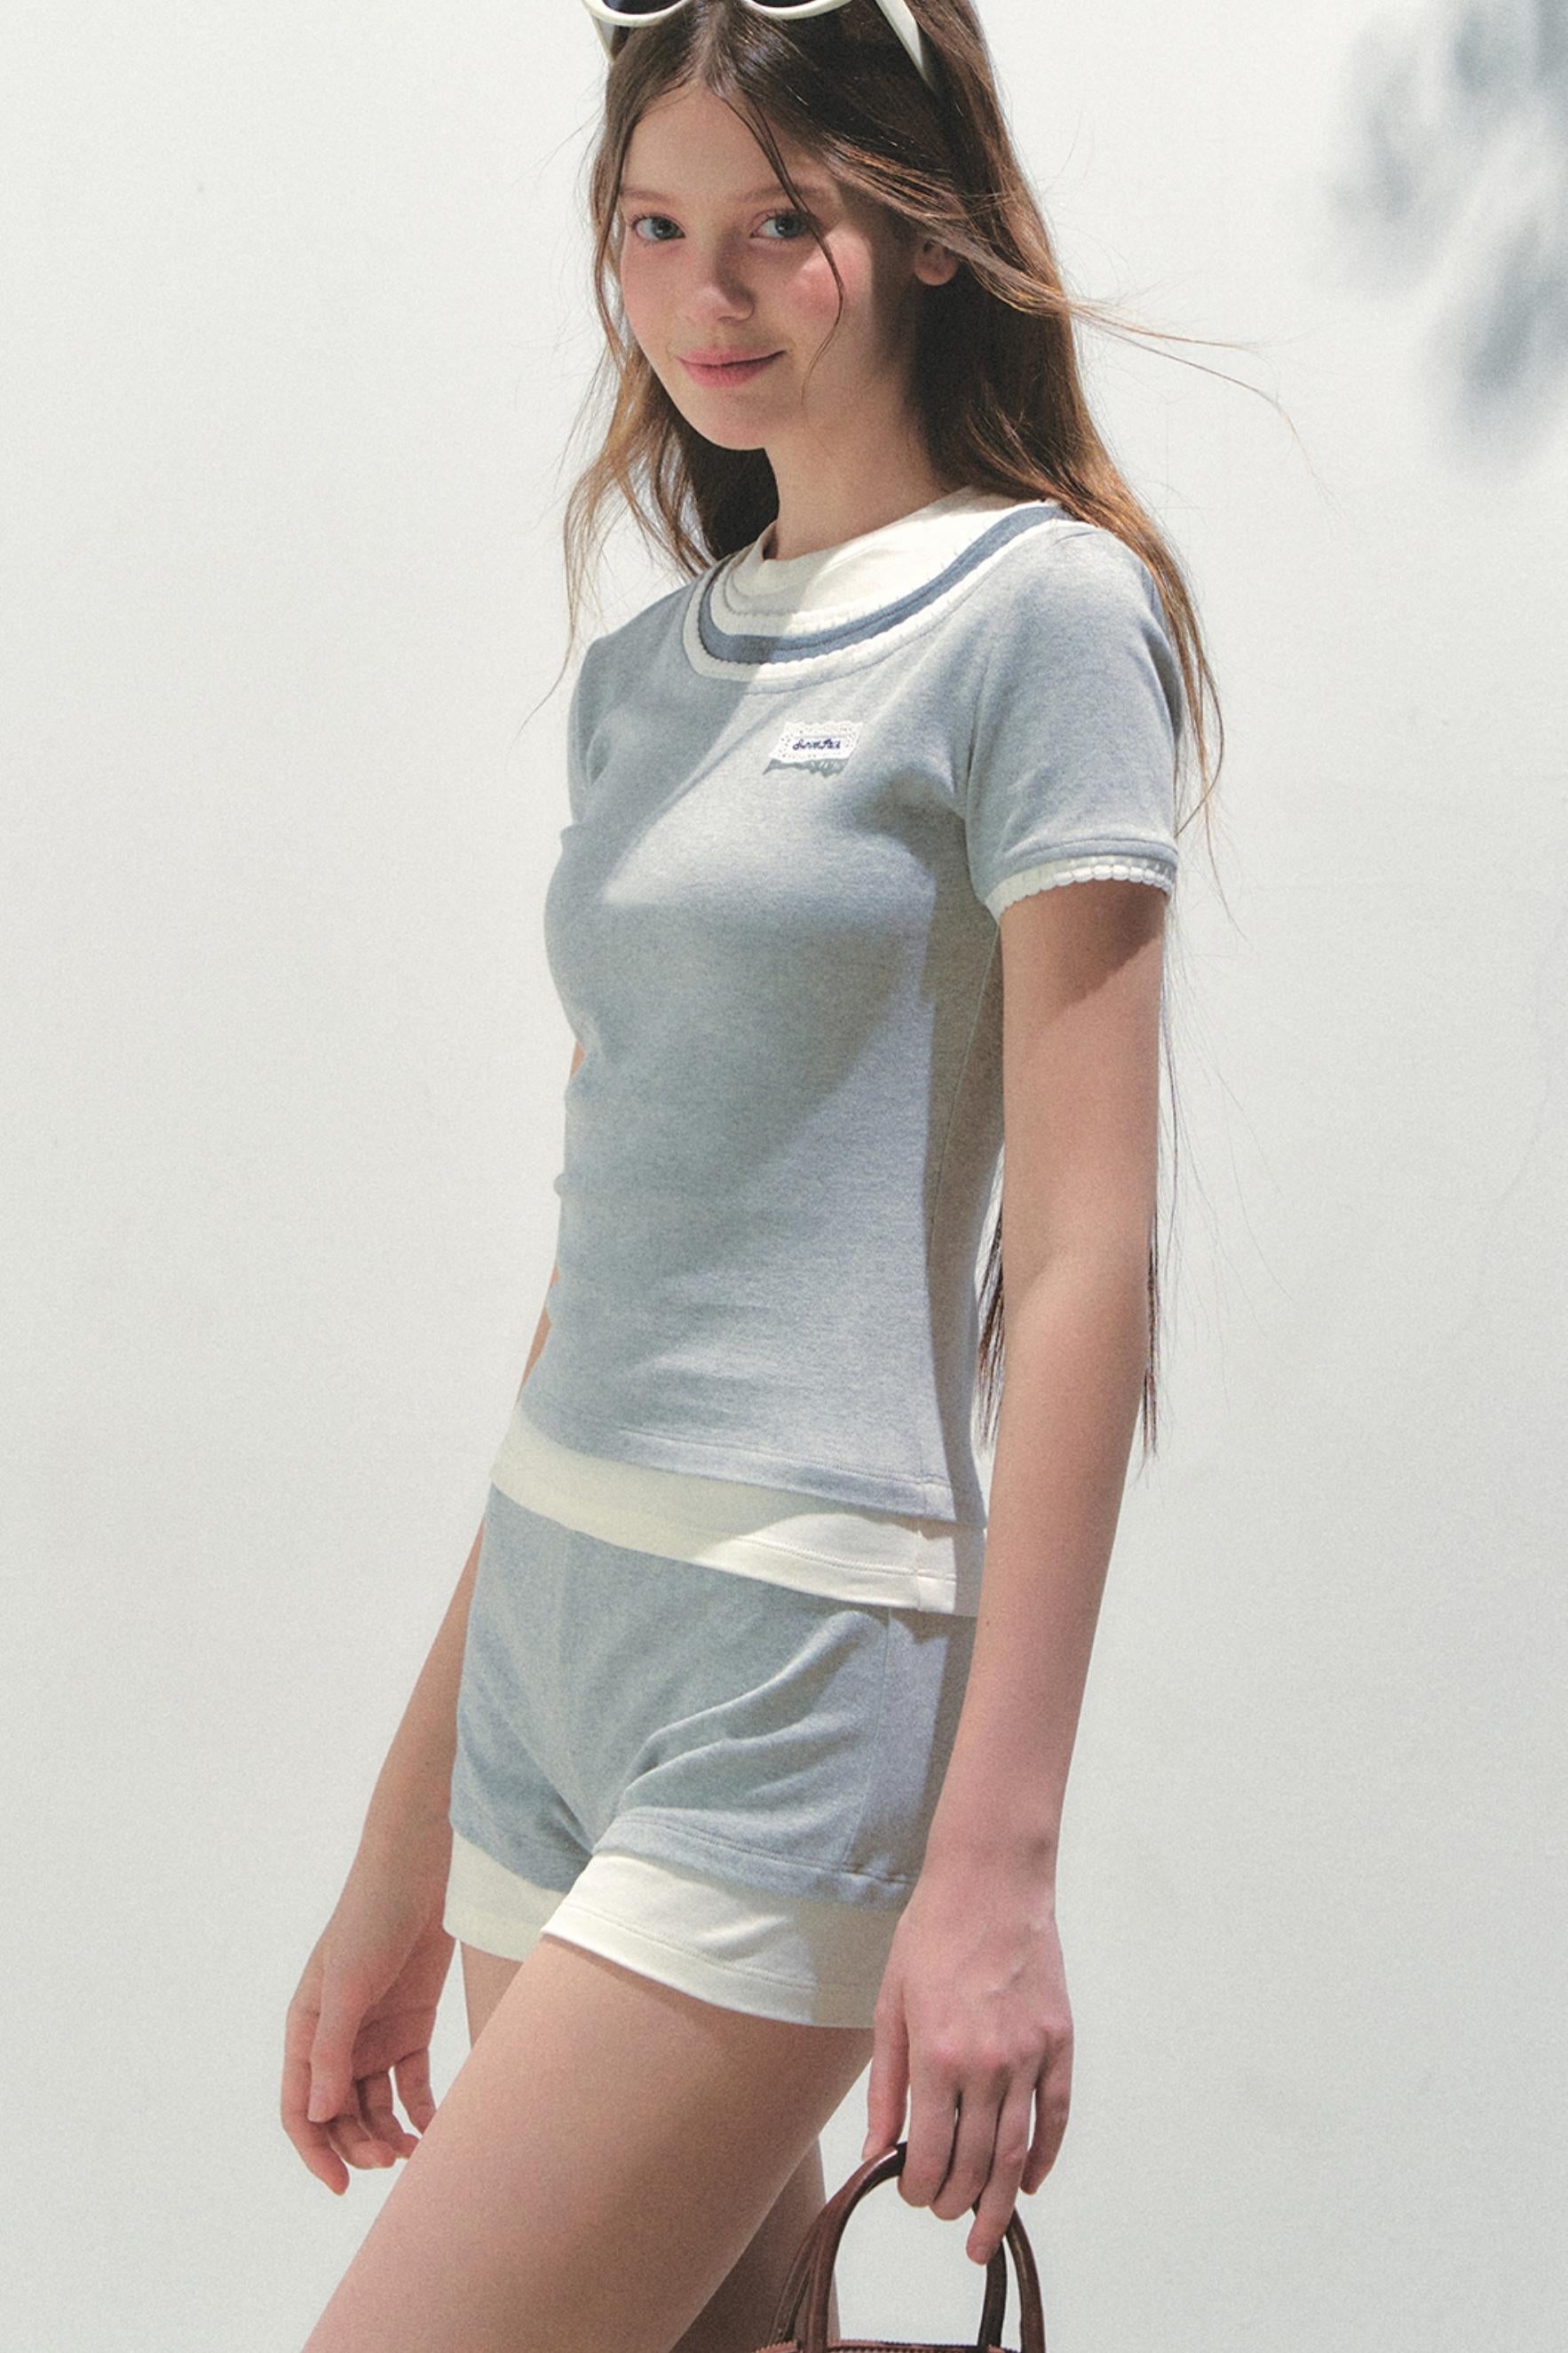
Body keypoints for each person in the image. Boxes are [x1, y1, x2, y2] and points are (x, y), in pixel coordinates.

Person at [283, 4, 1223, 2348]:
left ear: (921, 227)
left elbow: (1083, 1254)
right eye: (653, 226)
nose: (706, 294)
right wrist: (404, 1841)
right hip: (549, 1667)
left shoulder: (1041, 617)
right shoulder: (644, 680)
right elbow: (602, 1279)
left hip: (794, 1677)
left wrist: (996, 1863)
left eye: (779, 224)